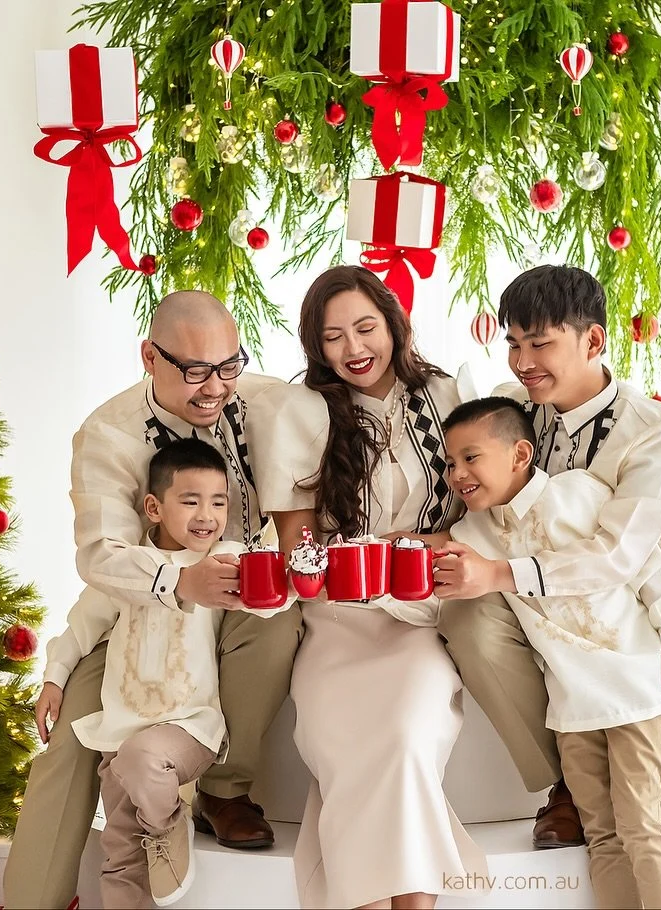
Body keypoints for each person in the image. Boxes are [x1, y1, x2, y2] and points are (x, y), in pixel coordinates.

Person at [435, 265, 661, 909]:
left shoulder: (651, 429)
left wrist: (503, 573)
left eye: (541, 344)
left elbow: (622, 555)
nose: (524, 362)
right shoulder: (511, 407)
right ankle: (565, 782)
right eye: (514, 343)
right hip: (533, 606)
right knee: (465, 619)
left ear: (592, 341)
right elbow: (476, 499)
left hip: (639, 601)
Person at [6, 292, 304, 908]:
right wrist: (177, 582)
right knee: (70, 740)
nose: (215, 387)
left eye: (228, 366)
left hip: (238, 601)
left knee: (276, 626)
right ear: (149, 357)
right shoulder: (108, 435)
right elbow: (100, 557)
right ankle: (30, 901)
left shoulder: (265, 403)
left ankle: (223, 791)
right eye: (194, 370)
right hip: (139, 609)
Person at [247, 265, 487, 910]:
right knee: (348, 743)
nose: (353, 348)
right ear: (315, 346)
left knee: (406, 737)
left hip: (421, 613)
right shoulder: (302, 411)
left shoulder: (447, 395)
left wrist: (421, 549)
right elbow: (297, 543)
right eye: (333, 337)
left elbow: (487, 509)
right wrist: (335, 562)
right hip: (338, 617)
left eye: (365, 328)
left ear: (393, 324)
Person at [438, 397, 661, 908]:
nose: (457, 474)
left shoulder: (579, 492)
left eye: (471, 458)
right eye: (450, 463)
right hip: (571, 707)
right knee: (602, 836)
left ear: (520, 455)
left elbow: (647, 568)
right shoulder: (472, 534)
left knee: (643, 829)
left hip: (633, 689)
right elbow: (436, 568)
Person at [49, 438, 295, 907]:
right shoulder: (127, 569)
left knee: (142, 761)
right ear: (154, 508)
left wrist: (287, 577)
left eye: (218, 502)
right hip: (121, 732)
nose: (207, 515)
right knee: (120, 856)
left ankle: (167, 825)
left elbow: (267, 605)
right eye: (191, 501)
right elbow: (81, 626)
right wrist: (53, 679)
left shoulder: (223, 560)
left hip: (188, 726)